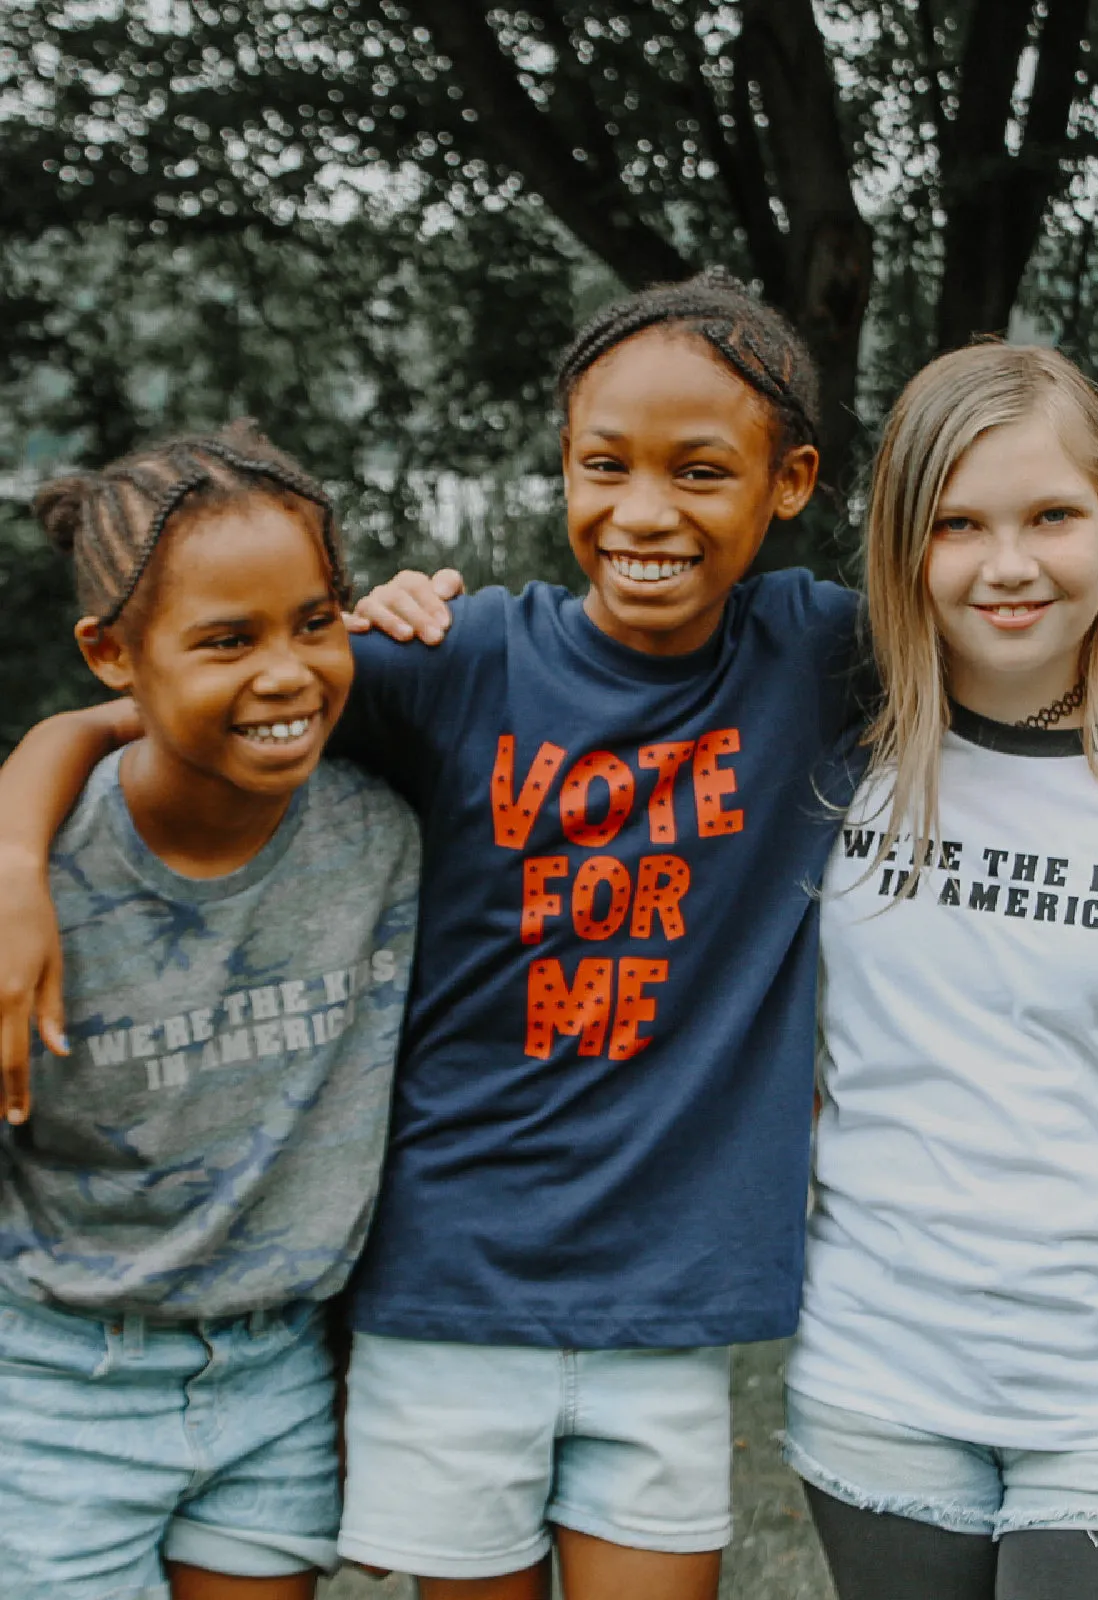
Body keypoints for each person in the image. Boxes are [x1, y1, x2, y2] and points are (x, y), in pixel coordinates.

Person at [0, 272, 867, 1600]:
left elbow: (1040, 648)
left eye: (699, 471)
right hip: (448, 1285)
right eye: (604, 465)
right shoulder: (453, 659)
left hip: (671, 1299)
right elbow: (159, 706)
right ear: (563, 466)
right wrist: (14, 853)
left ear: (789, 481)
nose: (644, 512)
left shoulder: (817, 658)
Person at [783, 343, 1098, 1599]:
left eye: (1050, 516)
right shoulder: (834, 741)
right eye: (957, 523)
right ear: (904, 547)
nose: (1007, 565)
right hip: (879, 1385)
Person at [0, 421, 421, 1600]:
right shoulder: (38, 892)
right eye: (227, 640)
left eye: (314, 621)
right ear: (111, 654)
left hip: (274, 1375)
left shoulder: (385, 833)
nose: (286, 672)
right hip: (53, 1383)